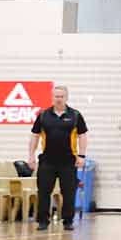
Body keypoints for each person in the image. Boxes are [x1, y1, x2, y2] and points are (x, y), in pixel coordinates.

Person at [28, 88, 89, 232]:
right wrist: (31, 155)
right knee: (43, 191)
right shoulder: (43, 115)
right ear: (52, 97)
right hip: (47, 160)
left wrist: (81, 155)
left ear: (66, 97)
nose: (59, 99)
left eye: (61, 96)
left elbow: (83, 135)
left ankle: (68, 221)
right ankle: (43, 221)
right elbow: (35, 135)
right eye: (56, 96)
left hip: (68, 160)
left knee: (68, 191)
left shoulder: (75, 115)